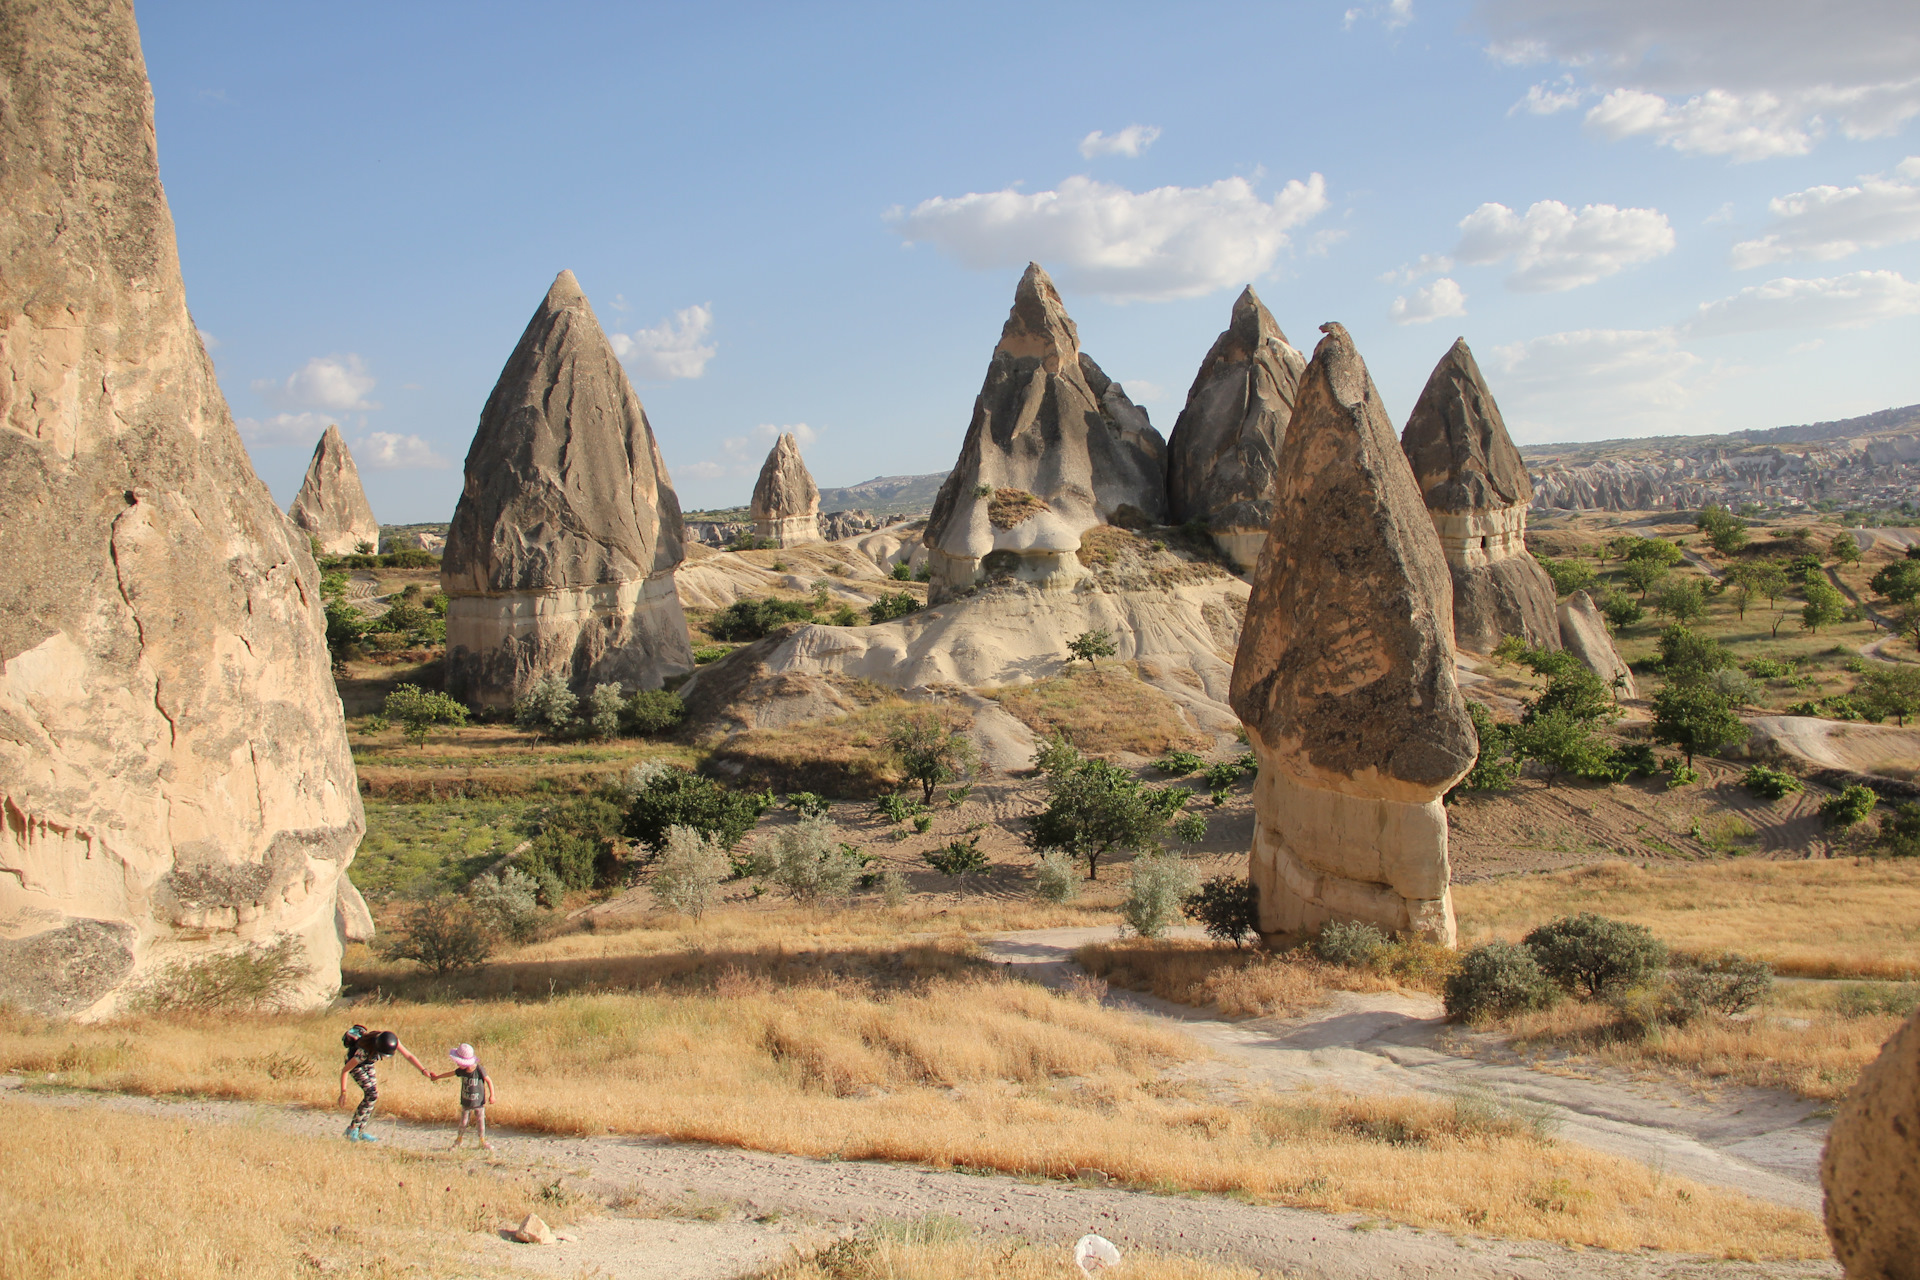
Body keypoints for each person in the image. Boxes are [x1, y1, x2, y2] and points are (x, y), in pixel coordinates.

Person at [337, 1024, 431, 1142]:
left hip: (368, 1063)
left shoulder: (392, 1040)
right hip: (356, 1066)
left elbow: (408, 1055)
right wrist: (343, 1092)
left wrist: (423, 1070)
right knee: (372, 1095)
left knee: (372, 1096)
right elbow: (345, 1070)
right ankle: (352, 1130)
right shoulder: (363, 1051)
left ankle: (360, 1131)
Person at [429, 1042, 495, 1150]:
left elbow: (488, 1080)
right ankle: (458, 1140)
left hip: (478, 1102)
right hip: (466, 1102)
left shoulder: (479, 1069)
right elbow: (450, 1074)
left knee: (480, 1121)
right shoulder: (462, 1071)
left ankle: (482, 1141)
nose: (457, 1064)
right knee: (463, 1122)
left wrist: (492, 1095)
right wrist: (437, 1077)